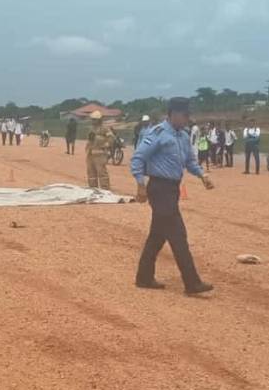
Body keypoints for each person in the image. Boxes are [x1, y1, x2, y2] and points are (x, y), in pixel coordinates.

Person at [130, 97, 214, 295]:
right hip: (159, 189)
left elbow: (190, 162)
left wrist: (202, 175)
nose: (187, 119)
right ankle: (192, 283)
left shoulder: (183, 136)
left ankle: (144, 277)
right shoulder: (157, 133)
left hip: (173, 189)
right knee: (178, 235)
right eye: (184, 115)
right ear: (173, 114)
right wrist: (140, 184)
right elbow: (138, 158)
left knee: (157, 236)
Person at [84, 111, 115, 189]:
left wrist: (105, 145)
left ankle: (105, 189)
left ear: (99, 120)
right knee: (91, 173)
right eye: (92, 119)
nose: (93, 121)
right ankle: (93, 188)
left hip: (100, 154)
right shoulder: (91, 129)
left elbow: (111, 138)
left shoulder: (104, 128)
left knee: (101, 172)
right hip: (90, 154)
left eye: (95, 119)